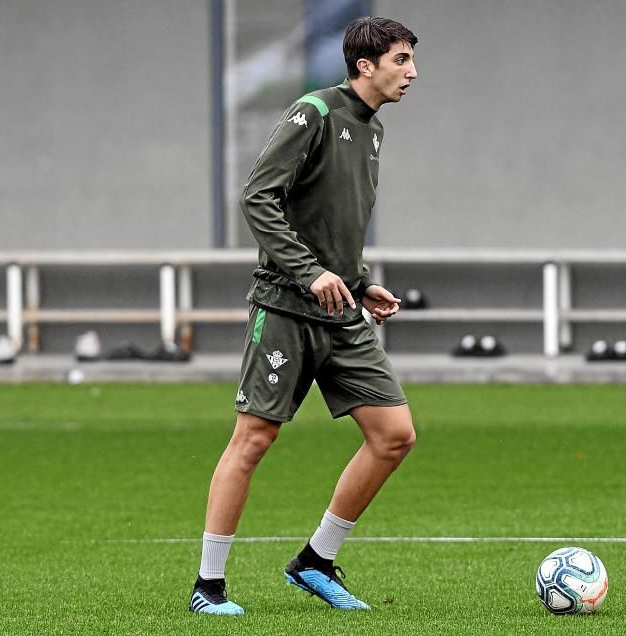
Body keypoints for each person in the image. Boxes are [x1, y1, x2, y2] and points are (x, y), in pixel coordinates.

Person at [188, 16, 419, 615]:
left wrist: (359, 283)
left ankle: (315, 561)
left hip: (341, 311)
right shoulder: (313, 112)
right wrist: (309, 272)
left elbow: (332, 219)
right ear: (365, 65)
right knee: (253, 439)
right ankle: (208, 587)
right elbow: (257, 198)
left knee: (394, 436)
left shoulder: (372, 130)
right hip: (285, 307)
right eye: (401, 60)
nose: (412, 72)